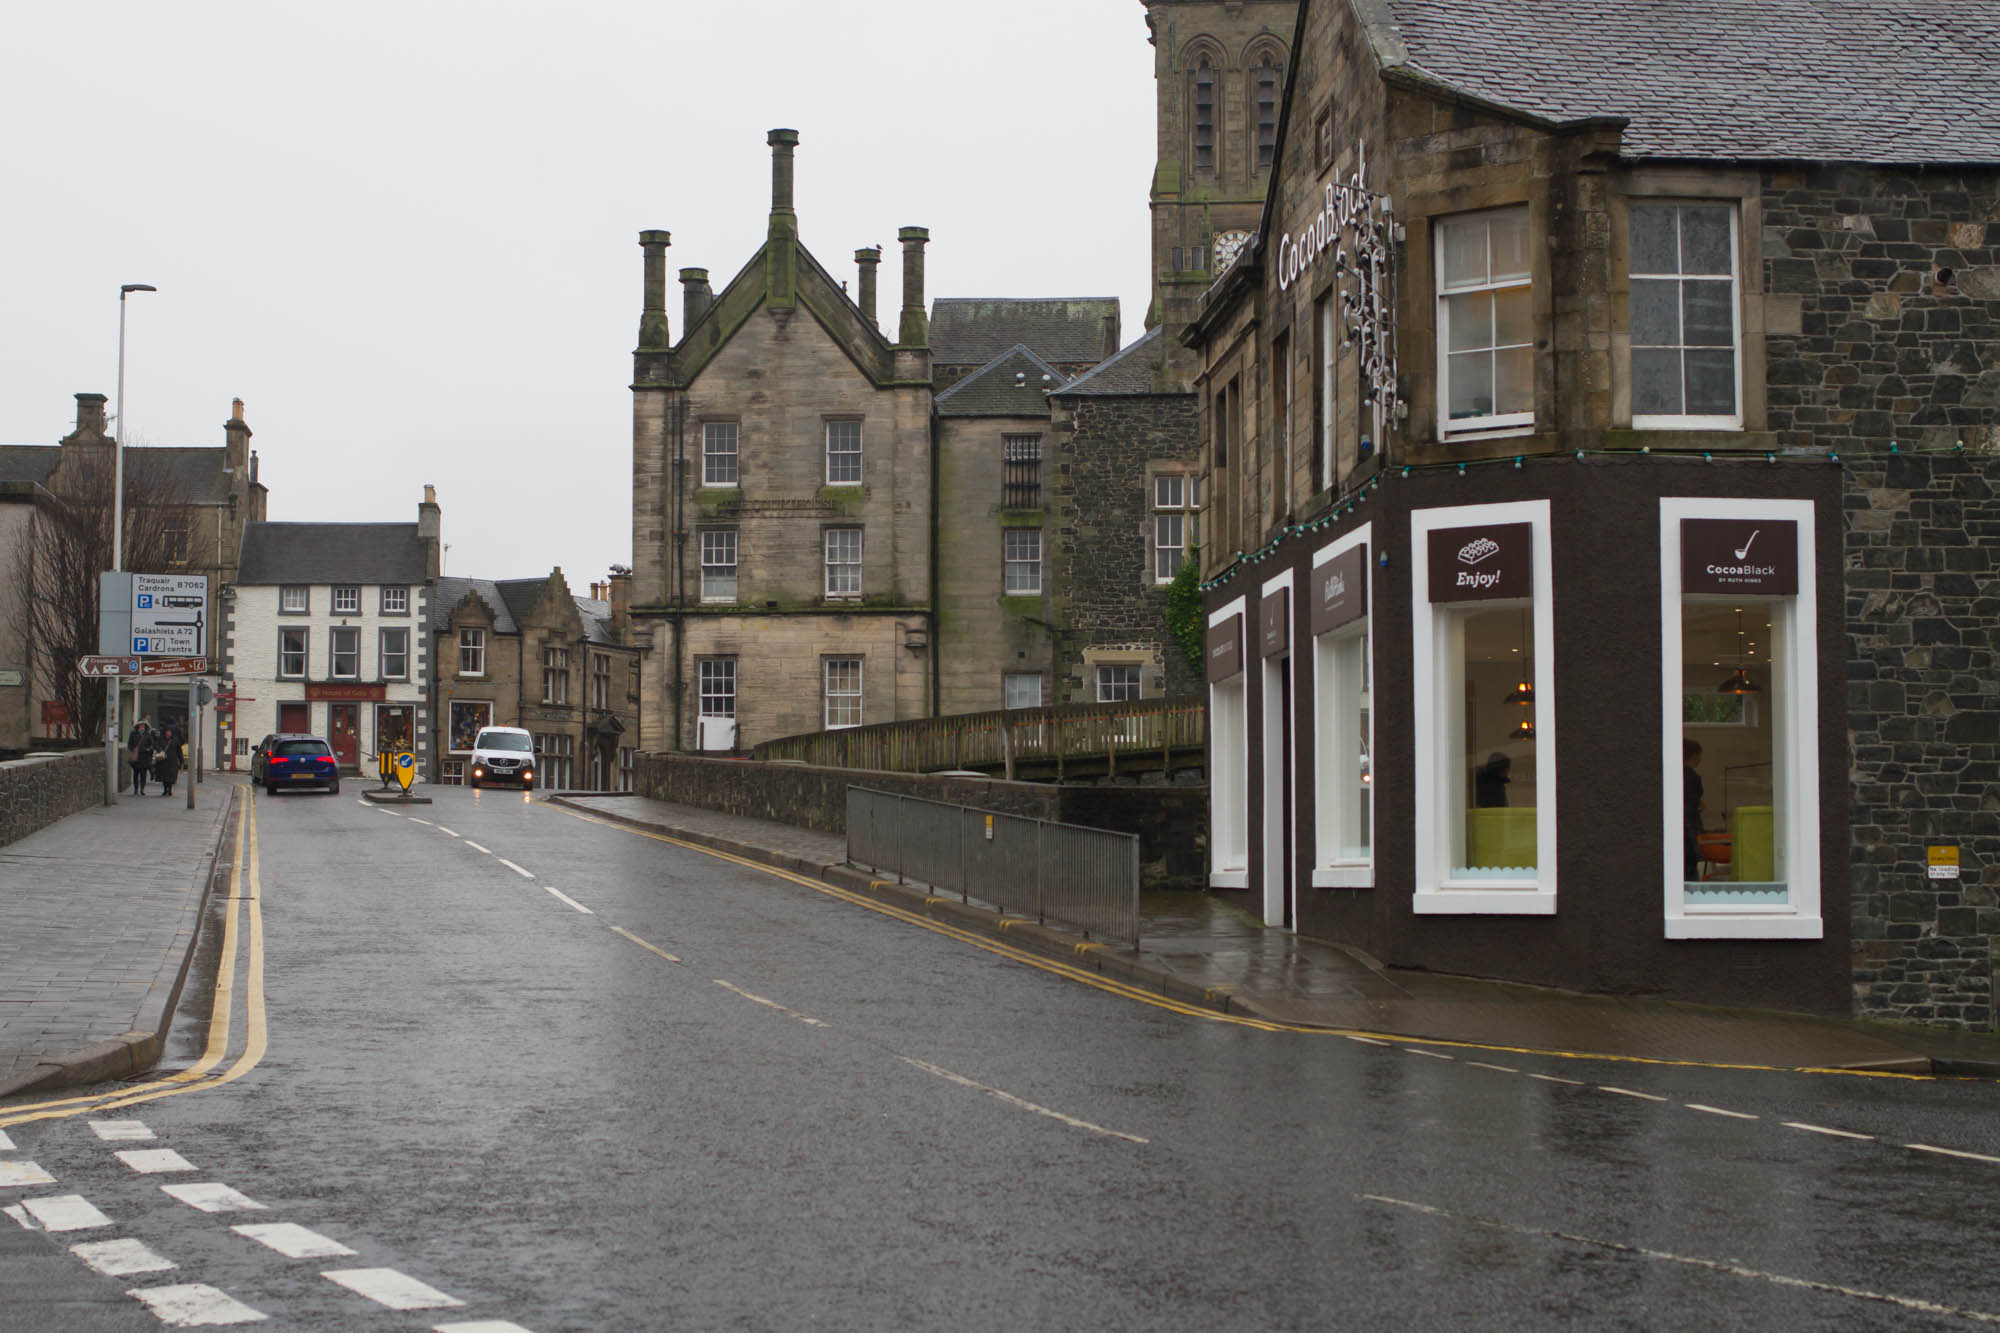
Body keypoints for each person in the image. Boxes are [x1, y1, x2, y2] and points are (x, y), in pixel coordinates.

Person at [1683, 738, 1705, 881]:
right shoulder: (1693, 777)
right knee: (1690, 862)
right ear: (1695, 755)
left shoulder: (1675, 774)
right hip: (1689, 824)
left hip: (1684, 823)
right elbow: (1692, 801)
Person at [127, 717, 155, 796]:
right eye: (141, 726)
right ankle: (136, 789)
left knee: (143, 774)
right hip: (136, 757)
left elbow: (152, 744)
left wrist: (149, 749)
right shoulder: (133, 734)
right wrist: (132, 749)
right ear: (138, 726)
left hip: (144, 757)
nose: (142, 727)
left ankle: (142, 789)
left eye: (143, 726)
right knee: (136, 774)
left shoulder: (148, 735)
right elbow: (129, 744)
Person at [155, 724, 184, 797]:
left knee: (171, 776)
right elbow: (156, 746)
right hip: (164, 760)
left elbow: (179, 751)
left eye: (170, 732)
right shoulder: (161, 739)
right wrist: (159, 749)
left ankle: (170, 790)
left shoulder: (175, 740)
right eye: (167, 731)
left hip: (172, 760)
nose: (168, 733)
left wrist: (181, 760)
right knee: (164, 776)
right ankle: (165, 790)